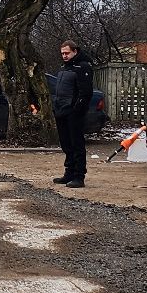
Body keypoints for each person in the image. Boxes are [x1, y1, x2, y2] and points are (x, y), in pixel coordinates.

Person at [48, 40, 94, 188]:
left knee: (76, 144)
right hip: (61, 110)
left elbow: (85, 92)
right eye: (62, 53)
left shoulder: (83, 67)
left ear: (75, 51)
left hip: (73, 113)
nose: (64, 56)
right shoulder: (64, 67)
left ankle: (79, 176)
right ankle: (69, 172)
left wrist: (76, 110)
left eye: (67, 53)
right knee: (66, 144)